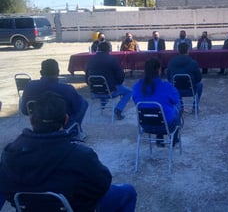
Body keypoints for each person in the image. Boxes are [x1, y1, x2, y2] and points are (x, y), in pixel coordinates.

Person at [0, 91, 137, 212]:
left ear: (31, 120)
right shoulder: (81, 155)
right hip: (77, 207)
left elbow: (6, 190)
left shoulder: (9, 153)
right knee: (128, 192)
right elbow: (102, 185)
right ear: (65, 120)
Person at [20, 59, 88, 139]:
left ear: (41, 73)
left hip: (38, 121)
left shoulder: (30, 86)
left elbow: (24, 110)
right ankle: (74, 130)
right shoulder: (67, 89)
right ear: (58, 72)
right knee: (84, 103)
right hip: (60, 122)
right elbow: (78, 107)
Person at [132, 58, 182, 146]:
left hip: (145, 125)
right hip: (166, 126)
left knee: (156, 109)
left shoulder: (137, 86)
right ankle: (174, 138)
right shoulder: (166, 86)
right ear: (159, 70)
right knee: (177, 106)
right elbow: (175, 100)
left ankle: (160, 139)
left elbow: (135, 101)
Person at [85, 41, 132, 120]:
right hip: (110, 91)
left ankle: (102, 107)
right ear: (109, 50)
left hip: (94, 91)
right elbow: (120, 77)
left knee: (103, 84)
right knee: (129, 92)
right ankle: (118, 110)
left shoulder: (90, 60)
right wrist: (117, 83)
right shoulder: (112, 59)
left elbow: (87, 78)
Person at [167, 42, 203, 110]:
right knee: (200, 85)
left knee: (173, 83)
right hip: (190, 90)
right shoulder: (193, 62)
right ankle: (195, 106)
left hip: (176, 90)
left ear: (178, 50)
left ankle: (181, 106)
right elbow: (199, 78)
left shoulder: (171, 62)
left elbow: (168, 77)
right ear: (188, 50)